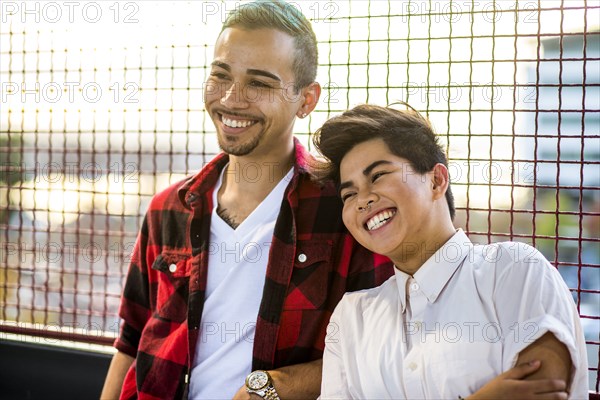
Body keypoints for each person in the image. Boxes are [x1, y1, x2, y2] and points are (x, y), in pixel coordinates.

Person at [100, 2, 395, 399]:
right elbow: (131, 340)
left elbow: (379, 353)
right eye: (220, 75)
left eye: (259, 83)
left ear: (306, 100)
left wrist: (273, 387)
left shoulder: (345, 213)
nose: (231, 98)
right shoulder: (167, 209)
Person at [313, 104, 589, 399]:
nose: (362, 200)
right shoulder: (352, 318)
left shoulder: (515, 269)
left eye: (378, 175)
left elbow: (544, 392)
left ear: (436, 180)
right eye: (349, 194)